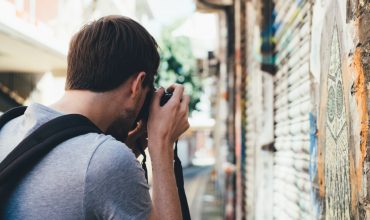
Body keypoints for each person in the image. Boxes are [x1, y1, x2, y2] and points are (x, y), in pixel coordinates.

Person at [0, 15, 189, 220]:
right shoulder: (106, 159)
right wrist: (162, 144)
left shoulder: (8, 125)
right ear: (137, 85)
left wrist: (124, 149)